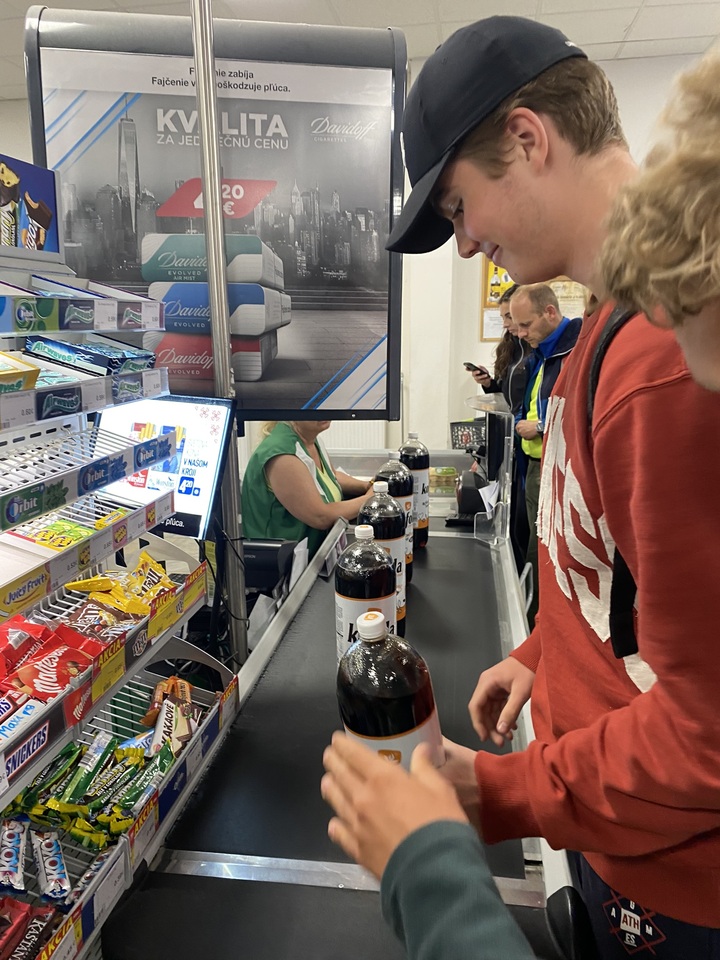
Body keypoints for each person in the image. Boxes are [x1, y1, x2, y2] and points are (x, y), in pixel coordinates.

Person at [323, 16, 720, 960]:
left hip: (672, 880)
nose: (465, 246)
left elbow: (707, 732)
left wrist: (493, 791)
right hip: (608, 830)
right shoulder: (605, 336)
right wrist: (548, 649)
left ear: (530, 139)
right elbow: (629, 586)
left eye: (459, 208)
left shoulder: (665, 365)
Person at [511, 283, 581, 625]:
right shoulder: (543, 351)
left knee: (545, 554)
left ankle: (539, 624)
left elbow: (577, 410)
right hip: (535, 464)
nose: (521, 334)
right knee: (534, 547)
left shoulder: (574, 350)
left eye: (526, 325)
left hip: (556, 469)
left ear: (550, 312)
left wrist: (538, 427)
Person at [241, 420, 372, 557]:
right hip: (282, 563)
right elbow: (320, 516)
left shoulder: (311, 441)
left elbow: (330, 477)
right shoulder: (283, 454)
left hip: (315, 554)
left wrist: (367, 485)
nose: (325, 412)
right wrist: (369, 499)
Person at [472, 283, 530, 416]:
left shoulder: (537, 348)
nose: (505, 324)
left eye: (510, 317)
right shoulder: (506, 347)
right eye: (503, 318)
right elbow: (502, 395)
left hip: (527, 423)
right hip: (508, 421)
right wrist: (488, 383)